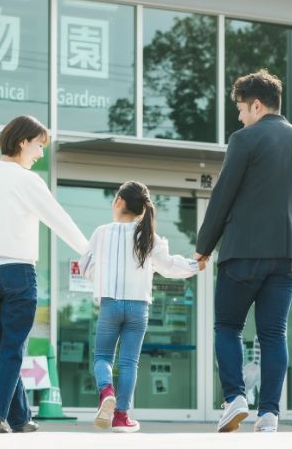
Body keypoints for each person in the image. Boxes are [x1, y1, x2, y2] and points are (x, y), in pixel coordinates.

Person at [195, 70, 292, 433]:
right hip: (287, 256)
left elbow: (223, 195)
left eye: (241, 109)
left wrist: (204, 247)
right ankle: (269, 414)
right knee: (273, 334)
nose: (239, 117)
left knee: (228, 326)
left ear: (257, 105)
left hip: (242, 253)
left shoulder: (245, 140)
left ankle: (234, 397)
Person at [0, 115, 88, 434]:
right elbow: (58, 220)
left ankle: (19, 418)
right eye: (38, 145)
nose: (41, 153)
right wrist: (90, 252)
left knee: (0, 351)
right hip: (17, 273)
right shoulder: (27, 180)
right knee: (12, 351)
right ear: (22, 142)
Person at [79, 181, 201, 433]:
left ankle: (106, 392)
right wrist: (195, 265)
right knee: (129, 362)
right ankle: (122, 417)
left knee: (102, 357)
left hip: (110, 304)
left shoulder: (102, 232)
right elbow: (168, 267)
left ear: (120, 202)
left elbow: (86, 267)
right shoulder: (150, 237)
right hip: (139, 307)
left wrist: (101, 276)